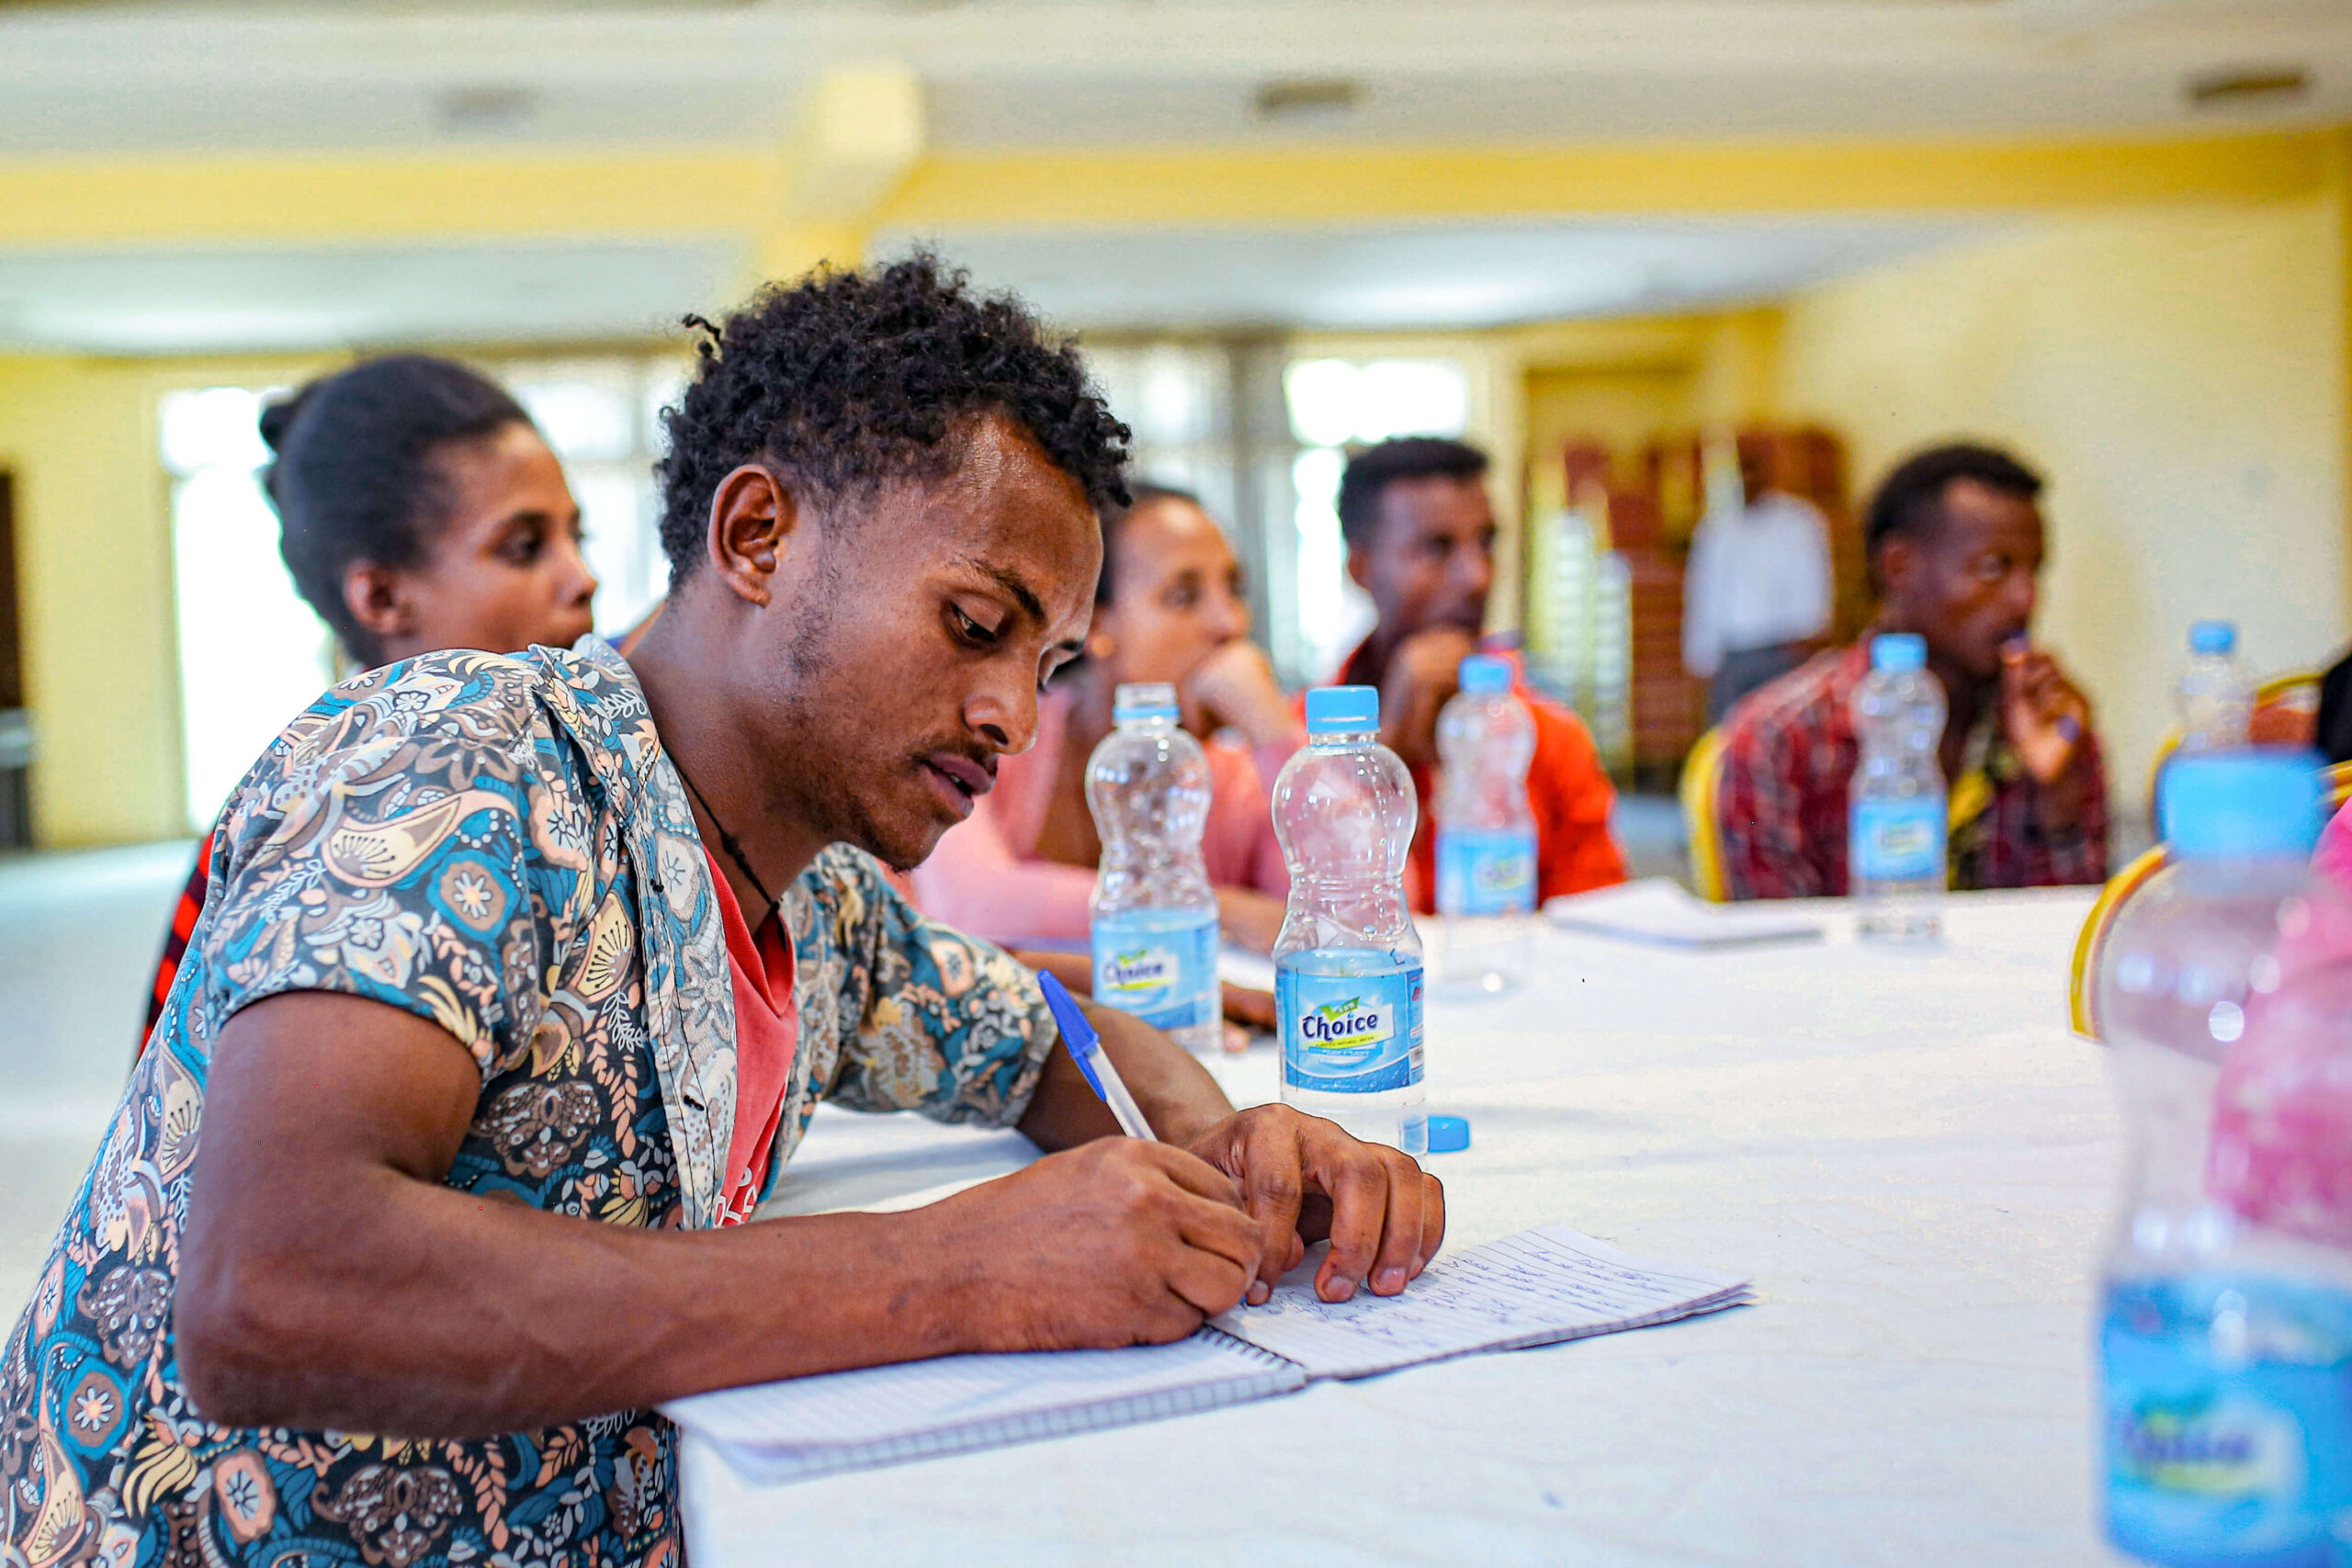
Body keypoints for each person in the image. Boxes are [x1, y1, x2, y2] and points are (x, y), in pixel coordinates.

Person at [2, 256, 1443, 1568]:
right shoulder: (466, 755)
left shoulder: (814, 901)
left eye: (1051, 657)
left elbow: (1057, 1031)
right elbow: (275, 1285)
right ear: (758, 533)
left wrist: (1218, 1148)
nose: (1012, 710)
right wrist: (952, 1268)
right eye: (973, 621)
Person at [139, 355, 599, 1046]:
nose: (582, 578)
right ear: (383, 597)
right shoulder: (303, 838)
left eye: (577, 536)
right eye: (525, 546)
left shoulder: (587, 770)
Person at [910, 484, 1297, 955]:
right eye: (1182, 596)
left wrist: (1274, 733)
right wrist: (1218, 908)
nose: (1230, 623)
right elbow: (970, 902)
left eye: (1235, 589)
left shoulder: (1239, 776)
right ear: (1092, 624)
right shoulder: (996, 734)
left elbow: (1354, 910)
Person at [1715, 441, 2109, 899]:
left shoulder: (2052, 728)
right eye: (1992, 569)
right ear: (1898, 566)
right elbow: (1779, 958)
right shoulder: (1780, 739)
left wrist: (2058, 798)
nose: (2026, 598)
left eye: (2034, 571)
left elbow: (2072, 943)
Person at [1330, 436, 1626, 910]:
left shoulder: (1548, 736)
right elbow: (1304, 925)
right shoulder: (1295, 740)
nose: (1478, 577)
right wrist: (1389, 756)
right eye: (1436, 548)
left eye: (1487, 543)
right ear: (1361, 568)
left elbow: (1600, 930)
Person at [1681, 434, 1836, 724]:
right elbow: (1704, 596)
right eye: (1741, 470)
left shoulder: (1799, 521)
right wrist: (1700, 658)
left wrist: (1808, 639)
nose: (1748, 477)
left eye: (1754, 468)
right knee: (1729, 744)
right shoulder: (1716, 527)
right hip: (1732, 657)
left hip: (1783, 652)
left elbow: (1815, 586)